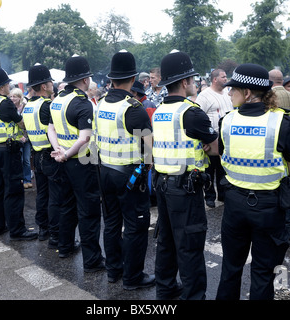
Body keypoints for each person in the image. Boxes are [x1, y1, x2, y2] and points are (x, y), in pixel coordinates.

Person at [216, 63, 290, 300]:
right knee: (263, 272)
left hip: (234, 204)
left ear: (247, 93)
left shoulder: (228, 121)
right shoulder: (280, 122)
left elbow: (222, 156)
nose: (229, 92)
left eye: (233, 89)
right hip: (268, 207)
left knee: (230, 268)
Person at [153, 50, 218, 300]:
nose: (195, 83)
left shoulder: (159, 111)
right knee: (189, 244)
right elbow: (214, 148)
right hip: (185, 188)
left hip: (163, 184)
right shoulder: (191, 112)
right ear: (184, 82)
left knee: (167, 240)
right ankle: (193, 296)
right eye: (192, 79)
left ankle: (166, 290)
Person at [95, 50, 154, 289]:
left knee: (110, 223)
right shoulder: (133, 107)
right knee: (135, 226)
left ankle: (113, 270)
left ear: (111, 79)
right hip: (128, 175)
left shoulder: (99, 104)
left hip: (104, 171)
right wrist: (146, 166)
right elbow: (148, 148)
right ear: (132, 78)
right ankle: (133, 277)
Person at [47, 54, 105, 272]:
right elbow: (85, 138)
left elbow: (50, 128)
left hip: (62, 160)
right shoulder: (82, 103)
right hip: (81, 160)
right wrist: (66, 154)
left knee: (66, 205)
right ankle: (92, 260)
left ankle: (65, 246)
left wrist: (58, 151)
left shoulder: (58, 100)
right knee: (88, 211)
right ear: (84, 80)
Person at [0, 67, 38, 241]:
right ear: (1, 86)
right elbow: (20, 122)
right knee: (13, 190)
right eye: (7, 84)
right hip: (8, 151)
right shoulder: (4, 103)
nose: (9, 87)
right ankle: (17, 230)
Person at [22, 64, 61, 246]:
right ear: (44, 86)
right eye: (50, 81)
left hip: (37, 155)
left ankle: (43, 229)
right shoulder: (47, 105)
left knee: (42, 194)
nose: (53, 84)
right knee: (55, 196)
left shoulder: (28, 106)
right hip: (50, 155)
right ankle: (55, 234)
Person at [196, 68, 233, 208]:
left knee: (223, 168)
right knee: (210, 169)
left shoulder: (228, 93)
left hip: (225, 139)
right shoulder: (204, 96)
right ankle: (209, 196)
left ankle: (223, 194)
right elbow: (199, 118)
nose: (226, 79)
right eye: (223, 77)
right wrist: (203, 140)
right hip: (211, 139)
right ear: (215, 79)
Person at [10, 88, 32, 189]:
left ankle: (27, 179)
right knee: (19, 159)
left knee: (26, 160)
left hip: (25, 139)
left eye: (14, 96)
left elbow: (29, 124)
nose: (12, 98)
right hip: (15, 139)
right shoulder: (9, 108)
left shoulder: (25, 108)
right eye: (11, 96)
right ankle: (20, 179)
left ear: (20, 97)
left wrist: (25, 137)